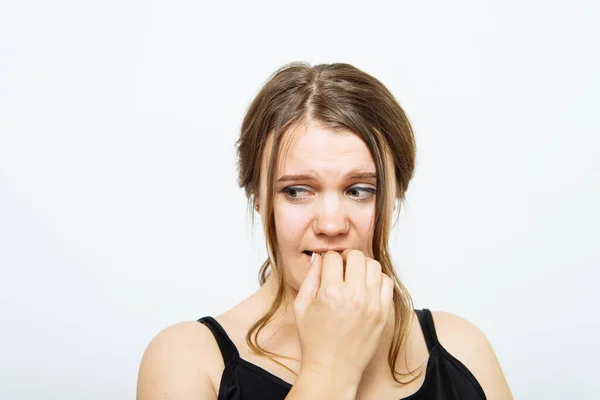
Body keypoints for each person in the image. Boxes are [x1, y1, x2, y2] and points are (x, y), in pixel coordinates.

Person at [136, 62, 514, 399]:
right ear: (257, 196)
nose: (331, 225)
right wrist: (331, 367)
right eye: (296, 191)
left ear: (395, 195)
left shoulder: (462, 349)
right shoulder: (187, 360)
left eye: (360, 190)